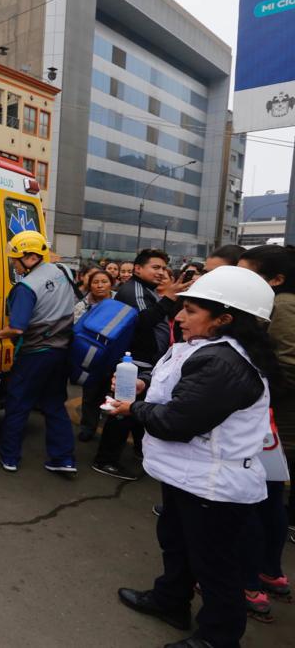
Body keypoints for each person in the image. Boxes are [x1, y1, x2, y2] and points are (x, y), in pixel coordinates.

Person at [109, 266, 276, 648]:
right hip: (189, 475)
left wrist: (131, 409)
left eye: (191, 311)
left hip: (213, 487)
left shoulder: (224, 363)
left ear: (224, 319)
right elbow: (179, 388)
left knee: (215, 568)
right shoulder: (208, 349)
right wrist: (144, 385)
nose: (179, 317)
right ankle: (170, 600)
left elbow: (176, 421)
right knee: (177, 543)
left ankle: (218, 638)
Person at [92, 249, 192, 481]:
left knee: (137, 409)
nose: (161, 273)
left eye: (164, 269)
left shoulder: (146, 290)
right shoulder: (134, 290)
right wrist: (169, 298)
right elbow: (143, 322)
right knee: (121, 412)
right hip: (132, 361)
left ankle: (139, 449)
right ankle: (105, 459)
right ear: (138, 269)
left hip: (144, 362)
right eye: (155, 267)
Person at [239, 244, 295, 604]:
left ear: (275, 279)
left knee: (255, 502)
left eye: (249, 273)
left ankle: (249, 583)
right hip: (274, 423)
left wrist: (245, 392)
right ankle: (268, 572)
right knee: (270, 500)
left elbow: (288, 367)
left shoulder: (284, 307)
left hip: (275, 425)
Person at [0, 231, 77, 474]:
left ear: (30, 257)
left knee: (18, 403)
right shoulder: (63, 271)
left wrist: (0, 334)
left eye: (15, 260)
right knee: (54, 404)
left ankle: (9, 457)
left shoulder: (26, 287)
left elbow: (18, 327)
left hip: (35, 354)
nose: (13, 264)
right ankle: (63, 459)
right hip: (62, 351)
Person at [74, 269, 115, 442]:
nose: (99, 285)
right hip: (91, 356)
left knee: (113, 395)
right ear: (89, 285)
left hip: (115, 355)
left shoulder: (119, 302)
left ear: (111, 284)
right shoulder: (82, 305)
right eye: (95, 282)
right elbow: (75, 328)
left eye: (104, 282)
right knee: (90, 394)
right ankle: (87, 427)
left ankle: (111, 432)